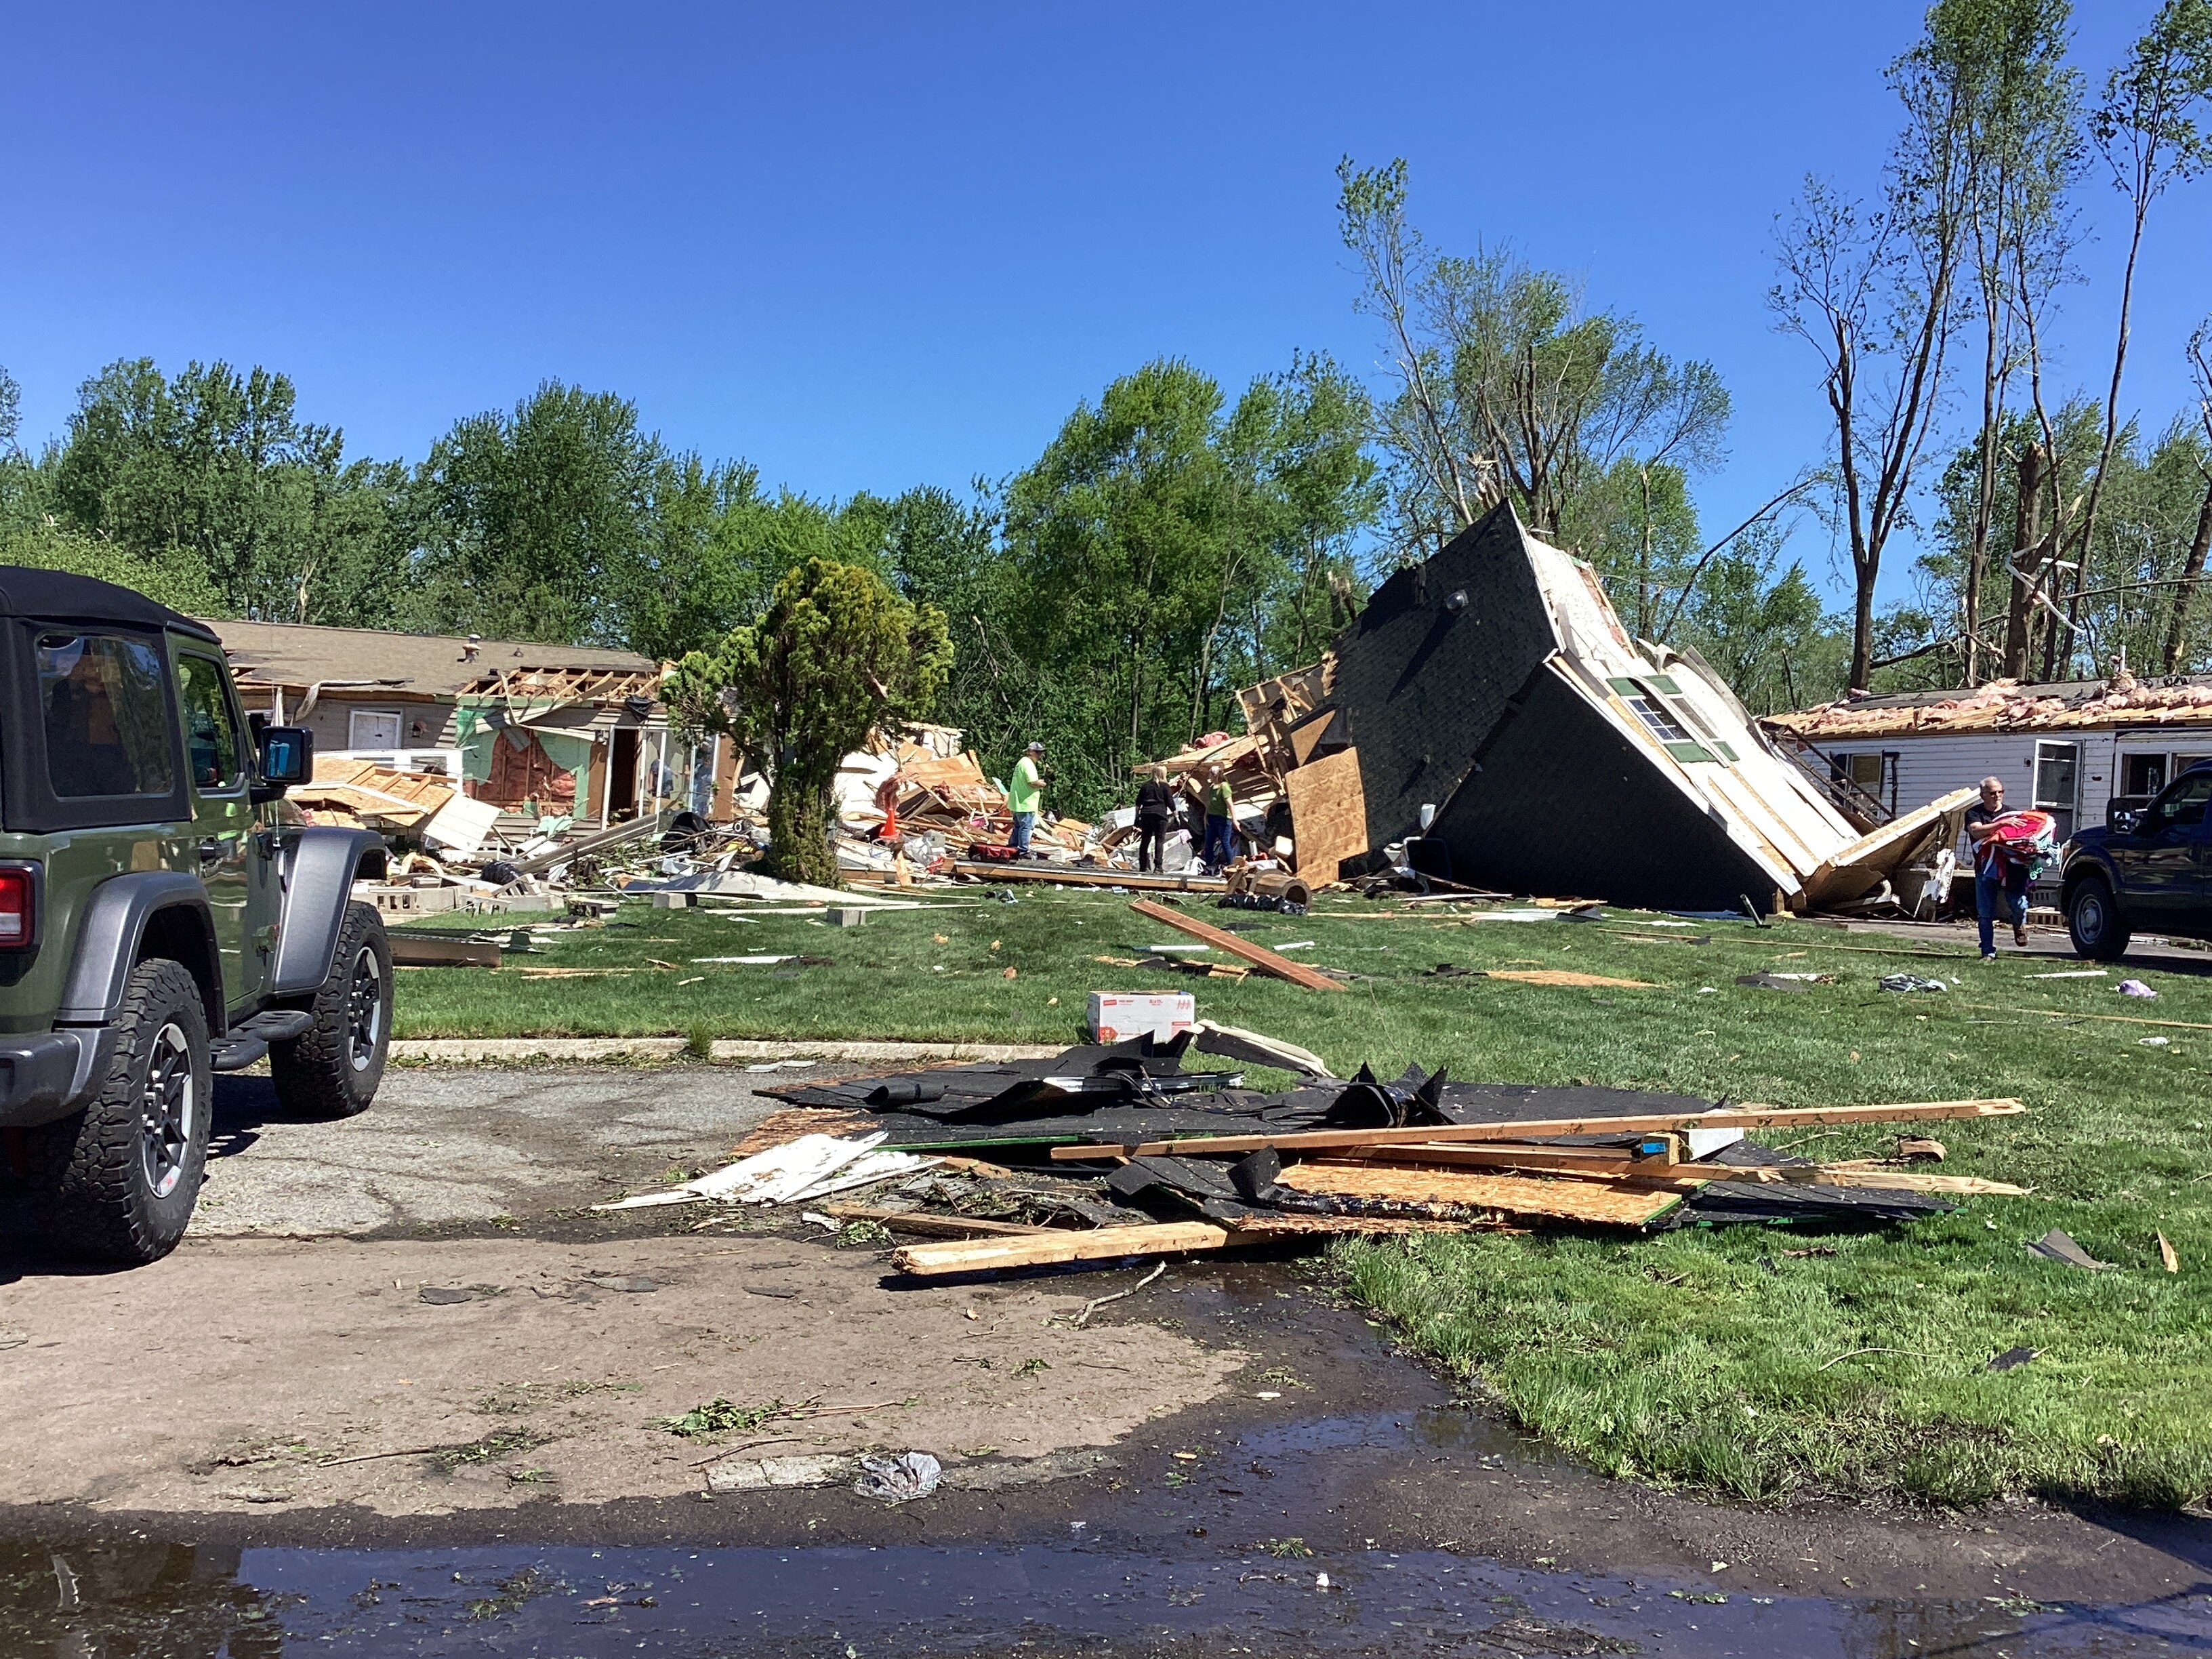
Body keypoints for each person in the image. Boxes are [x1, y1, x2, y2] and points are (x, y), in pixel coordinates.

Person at [1964, 774, 2030, 960]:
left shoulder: (2013, 814)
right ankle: (1987, 951)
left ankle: (2019, 924)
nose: (1997, 796)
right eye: (1992, 793)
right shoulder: (1974, 814)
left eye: (2000, 792)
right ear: (1982, 794)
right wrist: (2001, 824)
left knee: (2018, 905)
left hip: (2012, 869)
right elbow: (1976, 831)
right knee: (1985, 912)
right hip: (1985, 869)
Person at [1134, 764, 1177, 874]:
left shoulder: (1145, 786)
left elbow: (1138, 803)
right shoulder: (1165, 786)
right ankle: (1158, 867)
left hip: (1146, 814)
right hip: (1160, 815)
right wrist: (1176, 815)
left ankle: (1143, 866)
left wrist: (1137, 816)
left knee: (1145, 840)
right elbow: (1170, 803)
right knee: (1159, 841)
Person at [1008, 741, 1046, 857]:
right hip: (1026, 802)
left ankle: (1013, 848)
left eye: (1041, 753)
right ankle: (1023, 851)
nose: (1039, 755)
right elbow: (1032, 782)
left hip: (1018, 802)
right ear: (1030, 752)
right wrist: (1045, 783)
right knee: (1026, 827)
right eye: (1037, 752)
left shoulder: (1022, 763)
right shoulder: (1028, 764)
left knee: (1018, 826)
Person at [1202, 764, 1237, 873]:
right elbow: (1210, 804)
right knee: (1209, 842)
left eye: (1210, 774)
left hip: (1223, 819)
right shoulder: (1212, 787)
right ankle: (1209, 867)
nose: (1209, 775)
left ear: (1215, 775)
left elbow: (1230, 805)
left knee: (1225, 842)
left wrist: (1234, 820)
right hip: (1212, 818)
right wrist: (1205, 816)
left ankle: (1231, 866)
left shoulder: (1224, 786)